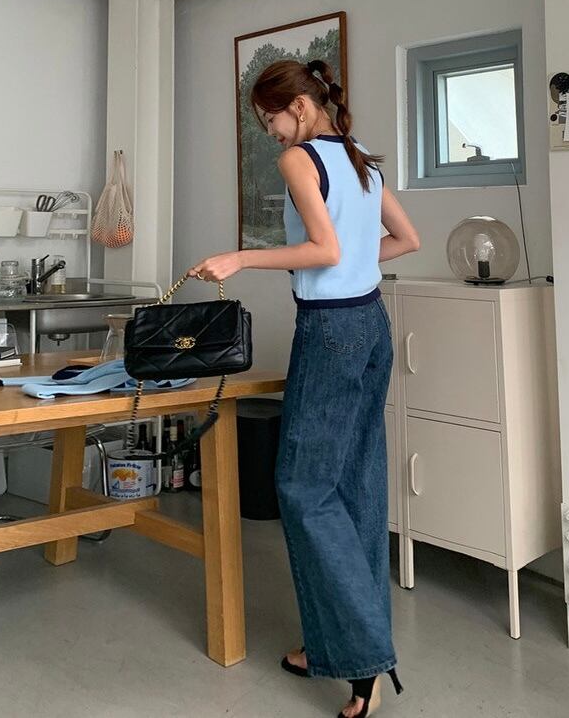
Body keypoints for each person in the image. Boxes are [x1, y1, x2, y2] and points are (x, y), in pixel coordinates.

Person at [190, 58, 419, 717]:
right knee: (356, 484)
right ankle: (335, 649)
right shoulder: (358, 157)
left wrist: (240, 257)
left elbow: (323, 250)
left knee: (303, 487)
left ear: (296, 106)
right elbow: (406, 239)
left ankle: (363, 658)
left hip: (332, 331)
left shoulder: (299, 159)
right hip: (372, 325)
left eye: (270, 119)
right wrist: (348, 257)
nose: (270, 133)